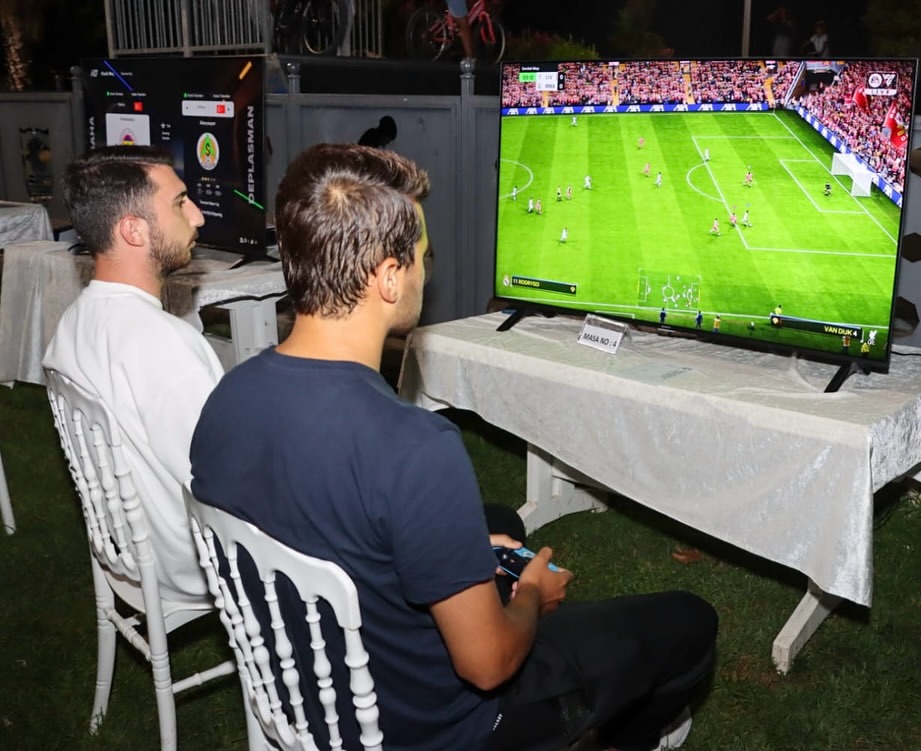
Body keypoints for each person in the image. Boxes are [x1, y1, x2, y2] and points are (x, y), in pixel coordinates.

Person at [190, 144, 718, 751]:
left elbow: (320, 516)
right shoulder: (415, 448)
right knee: (689, 622)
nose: (426, 272)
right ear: (390, 277)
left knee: (496, 523)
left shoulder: (226, 397)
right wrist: (531, 596)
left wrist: (457, 551)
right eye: (424, 256)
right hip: (439, 729)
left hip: (305, 688)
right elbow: (488, 665)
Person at [42, 145, 222, 604]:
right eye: (180, 203)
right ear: (133, 230)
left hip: (128, 549)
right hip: (190, 564)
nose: (198, 217)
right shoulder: (165, 344)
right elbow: (224, 481)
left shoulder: (74, 320)